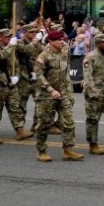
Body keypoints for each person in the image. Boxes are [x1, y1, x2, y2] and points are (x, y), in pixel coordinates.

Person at [34, 30, 83, 162]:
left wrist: (68, 90)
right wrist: (50, 90)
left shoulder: (64, 51)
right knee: (43, 125)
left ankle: (67, 150)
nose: (62, 41)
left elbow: (66, 70)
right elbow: (38, 75)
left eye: (63, 39)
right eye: (58, 40)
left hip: (62, 94)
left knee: (68, 122)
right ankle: (42, 151)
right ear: (50, 41)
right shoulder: (44, 56)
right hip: (46, 96)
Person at [0, 28, 23, 143]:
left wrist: (16, 76)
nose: (9, 38)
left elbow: (16, 64)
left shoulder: (12, 47)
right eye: (6, 36)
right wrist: (10, 46)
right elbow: (0, 57)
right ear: (0, 37)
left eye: (10, 36)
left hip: (10, 82)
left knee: (15, 107)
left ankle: (19, 130)